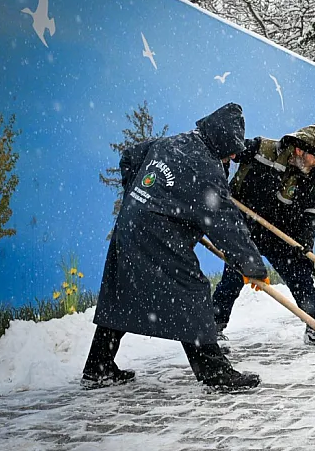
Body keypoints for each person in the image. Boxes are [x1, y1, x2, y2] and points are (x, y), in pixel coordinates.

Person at [83, 103, 269, 393]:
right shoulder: (205, 166)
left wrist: (141, 195)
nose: (233, 154)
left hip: (130, 224)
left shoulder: (172, 142)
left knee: (122, 293)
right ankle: (215, 373)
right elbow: (225, 223)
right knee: (191, 291)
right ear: (220, 139)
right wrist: (252, 265)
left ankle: (99, 365)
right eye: (231, 148)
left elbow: (130, 158)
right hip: (157, 236)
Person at [212, 123, 315, 348]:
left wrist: (305, 243)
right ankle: (213, 328)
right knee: (233, 278)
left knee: (300, 275)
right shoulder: (261, 149)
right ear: (301, 150)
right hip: (245, 229)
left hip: (278, 234)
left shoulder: (309, 176)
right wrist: (220, 180)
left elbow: (311, 211)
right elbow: (225, 152)